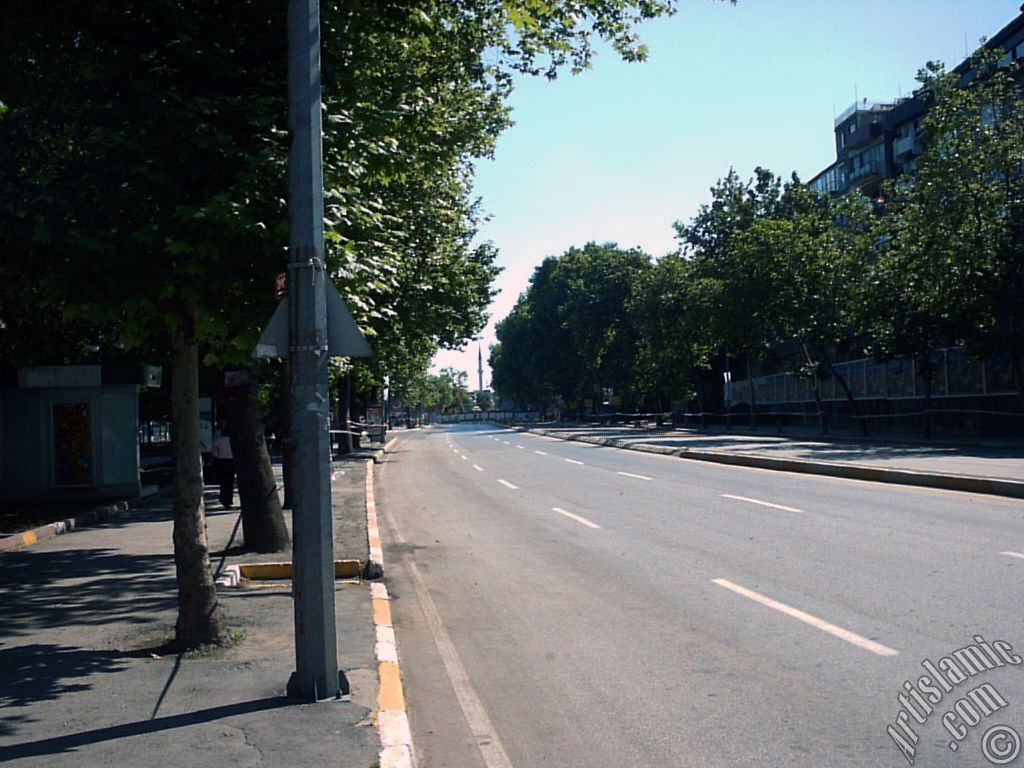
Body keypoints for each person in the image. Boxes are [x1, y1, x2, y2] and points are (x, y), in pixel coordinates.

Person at [211, 424, 235, 508]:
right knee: (230, 482)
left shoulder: (218, 440)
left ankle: (223, 498)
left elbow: (214, 451)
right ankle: (229, 499)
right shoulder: (232, 441)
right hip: (231, 461)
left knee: (223, 482)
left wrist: (215, 457)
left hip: (221, 461)